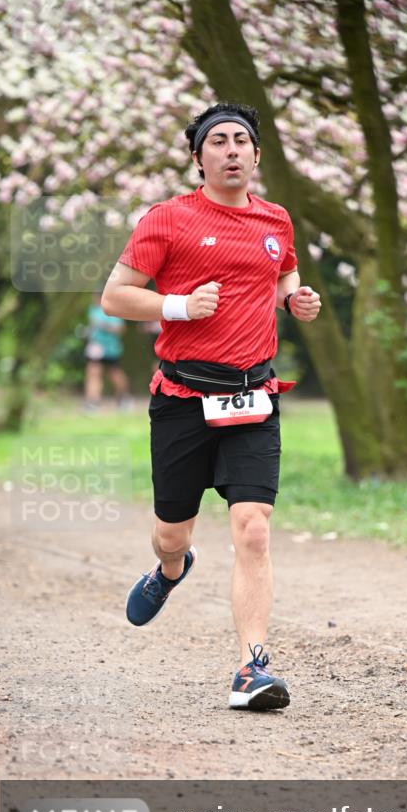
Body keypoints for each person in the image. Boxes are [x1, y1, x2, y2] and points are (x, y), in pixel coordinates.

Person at [100, 102, 321, 711]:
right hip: (181, 398)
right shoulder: (167, 220)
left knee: (253, 529)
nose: (231, 150)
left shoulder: (276, 219)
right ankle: (171, 569)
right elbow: (115, 296)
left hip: (254, 395)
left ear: (255, 155)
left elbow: (281, 280)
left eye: (241, 141)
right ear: (198, 158)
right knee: (172, 531)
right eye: (217, 141)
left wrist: (296, 300)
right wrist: (177, 306)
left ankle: (251, 670)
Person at [83, 294, 132, 412]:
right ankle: (92, 402)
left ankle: (123, 398)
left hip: (111, 349)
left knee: (115, 374)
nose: (94, 299)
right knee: (93, 373)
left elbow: (120, 329)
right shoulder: (92, 310)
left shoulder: (112, 309)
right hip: (95, 348)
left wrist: (103, 326)